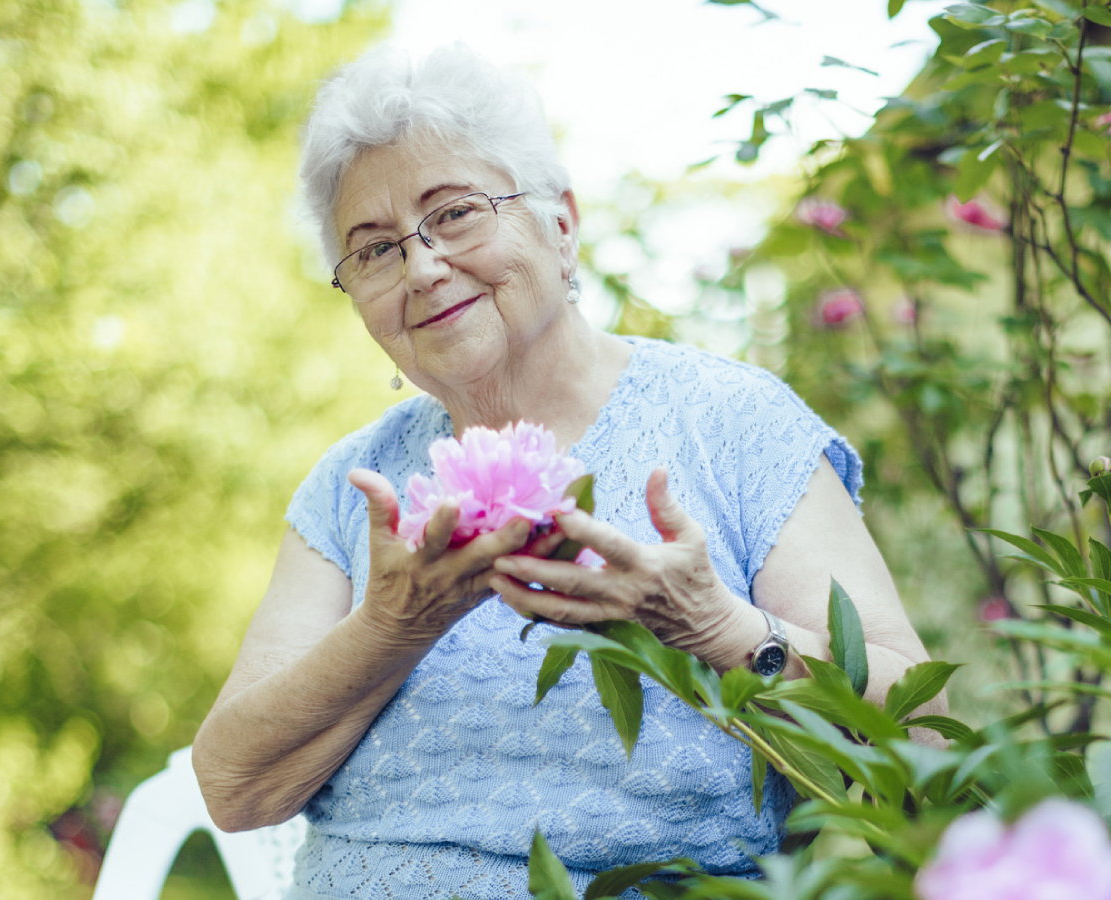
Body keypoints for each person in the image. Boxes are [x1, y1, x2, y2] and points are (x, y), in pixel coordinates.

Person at [192, 43, 938, 899]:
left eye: (458, 213)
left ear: (562, 223)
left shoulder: (735, 424)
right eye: (375, 249)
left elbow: (928, 739)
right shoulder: (355, 482)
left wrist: (712, 626)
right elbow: (234, 786)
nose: (424, 266)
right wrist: (395, 624)